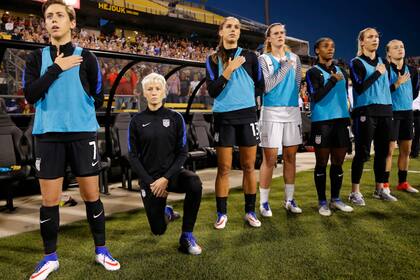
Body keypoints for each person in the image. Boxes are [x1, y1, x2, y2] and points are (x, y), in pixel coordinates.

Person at [23, 1, 120, 279]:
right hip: (48, 136)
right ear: (45, 23)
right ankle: (50, 258)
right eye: (49, 16)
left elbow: (98, 96)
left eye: (59, 16)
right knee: (49, 201)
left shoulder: (87, 57)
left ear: (72, 22)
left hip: (81, 135)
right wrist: (56, 68)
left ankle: (101, 250)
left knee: (92, 196)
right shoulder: (35, 58)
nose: (53, 20)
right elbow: (30, 95)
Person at [128, 73, 203, 255]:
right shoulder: (136, 121)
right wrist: (151, 182)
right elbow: (132, 156)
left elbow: (183, 152)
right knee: (158, 230)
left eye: (157, 89)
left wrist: (166, 178)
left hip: (172, 175)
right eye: (149, 89)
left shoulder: (176, 118)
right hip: (150, 182)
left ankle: (186, 236)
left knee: (194, 182)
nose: (154, 92)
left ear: (164, 92)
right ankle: (166, 213)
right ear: (143, 93)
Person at [206, 17, 264, 229]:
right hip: (224, 118)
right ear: (221, 32)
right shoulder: (212, 59)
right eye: (228, 26)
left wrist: (248, 101)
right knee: (224, 168)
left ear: (239, 33)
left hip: (248, 116)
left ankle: (250, 211)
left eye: (236, 27)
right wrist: (229, 71)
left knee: (249, 166)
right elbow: (212, 90)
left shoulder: (250, 56)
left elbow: (260, 85)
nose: (233, 30)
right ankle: (222, 214)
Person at [257, 23, 302, 217]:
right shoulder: (263, 59)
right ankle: (264, 203)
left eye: (282, 32)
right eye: (275, 33)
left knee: (291, 157)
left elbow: (297, 84)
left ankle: (289, 199)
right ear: (269, 39)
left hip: (292, 111)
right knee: (270, 159)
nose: (280, 36)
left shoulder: (295, 58)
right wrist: (283, 68)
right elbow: (267, 86)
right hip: (271, 112)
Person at [306, 38, 354, 216]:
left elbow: (345, 98)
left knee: (338, 163)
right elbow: (316, 96)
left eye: (333, 46)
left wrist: (349, 118)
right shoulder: (312, 72)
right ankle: (322, 202)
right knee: (321, 163)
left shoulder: (342, 71)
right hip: (322, 122)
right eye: (326, 46)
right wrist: (332, 81)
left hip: (341, 121)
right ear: (317, 50)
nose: (330, 49)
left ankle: (336, 199)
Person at [348, 27, 396, 206]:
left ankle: (380, 189)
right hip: (365, 112)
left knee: (383, 153)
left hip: (385, 111)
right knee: (362, 153)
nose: (375, 39)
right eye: (370, 37)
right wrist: (377, 72)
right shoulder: (356, 62)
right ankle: (355, 192)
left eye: (376, 36)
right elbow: (359, 87)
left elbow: (385, 88)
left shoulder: (384, 62)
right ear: (362, 42)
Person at [384, 40, 419, 193]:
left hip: (407, 112)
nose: (400, 50)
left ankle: (402, 182)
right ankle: (384, 184)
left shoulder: (412, 70)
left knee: (406, 150)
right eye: (396, 47)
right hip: (391, 112)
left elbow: (415, 92)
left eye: (402, 47)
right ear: (388, 53)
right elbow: (381, 92)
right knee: (389, 151)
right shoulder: (384, 69)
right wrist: (396, 84)